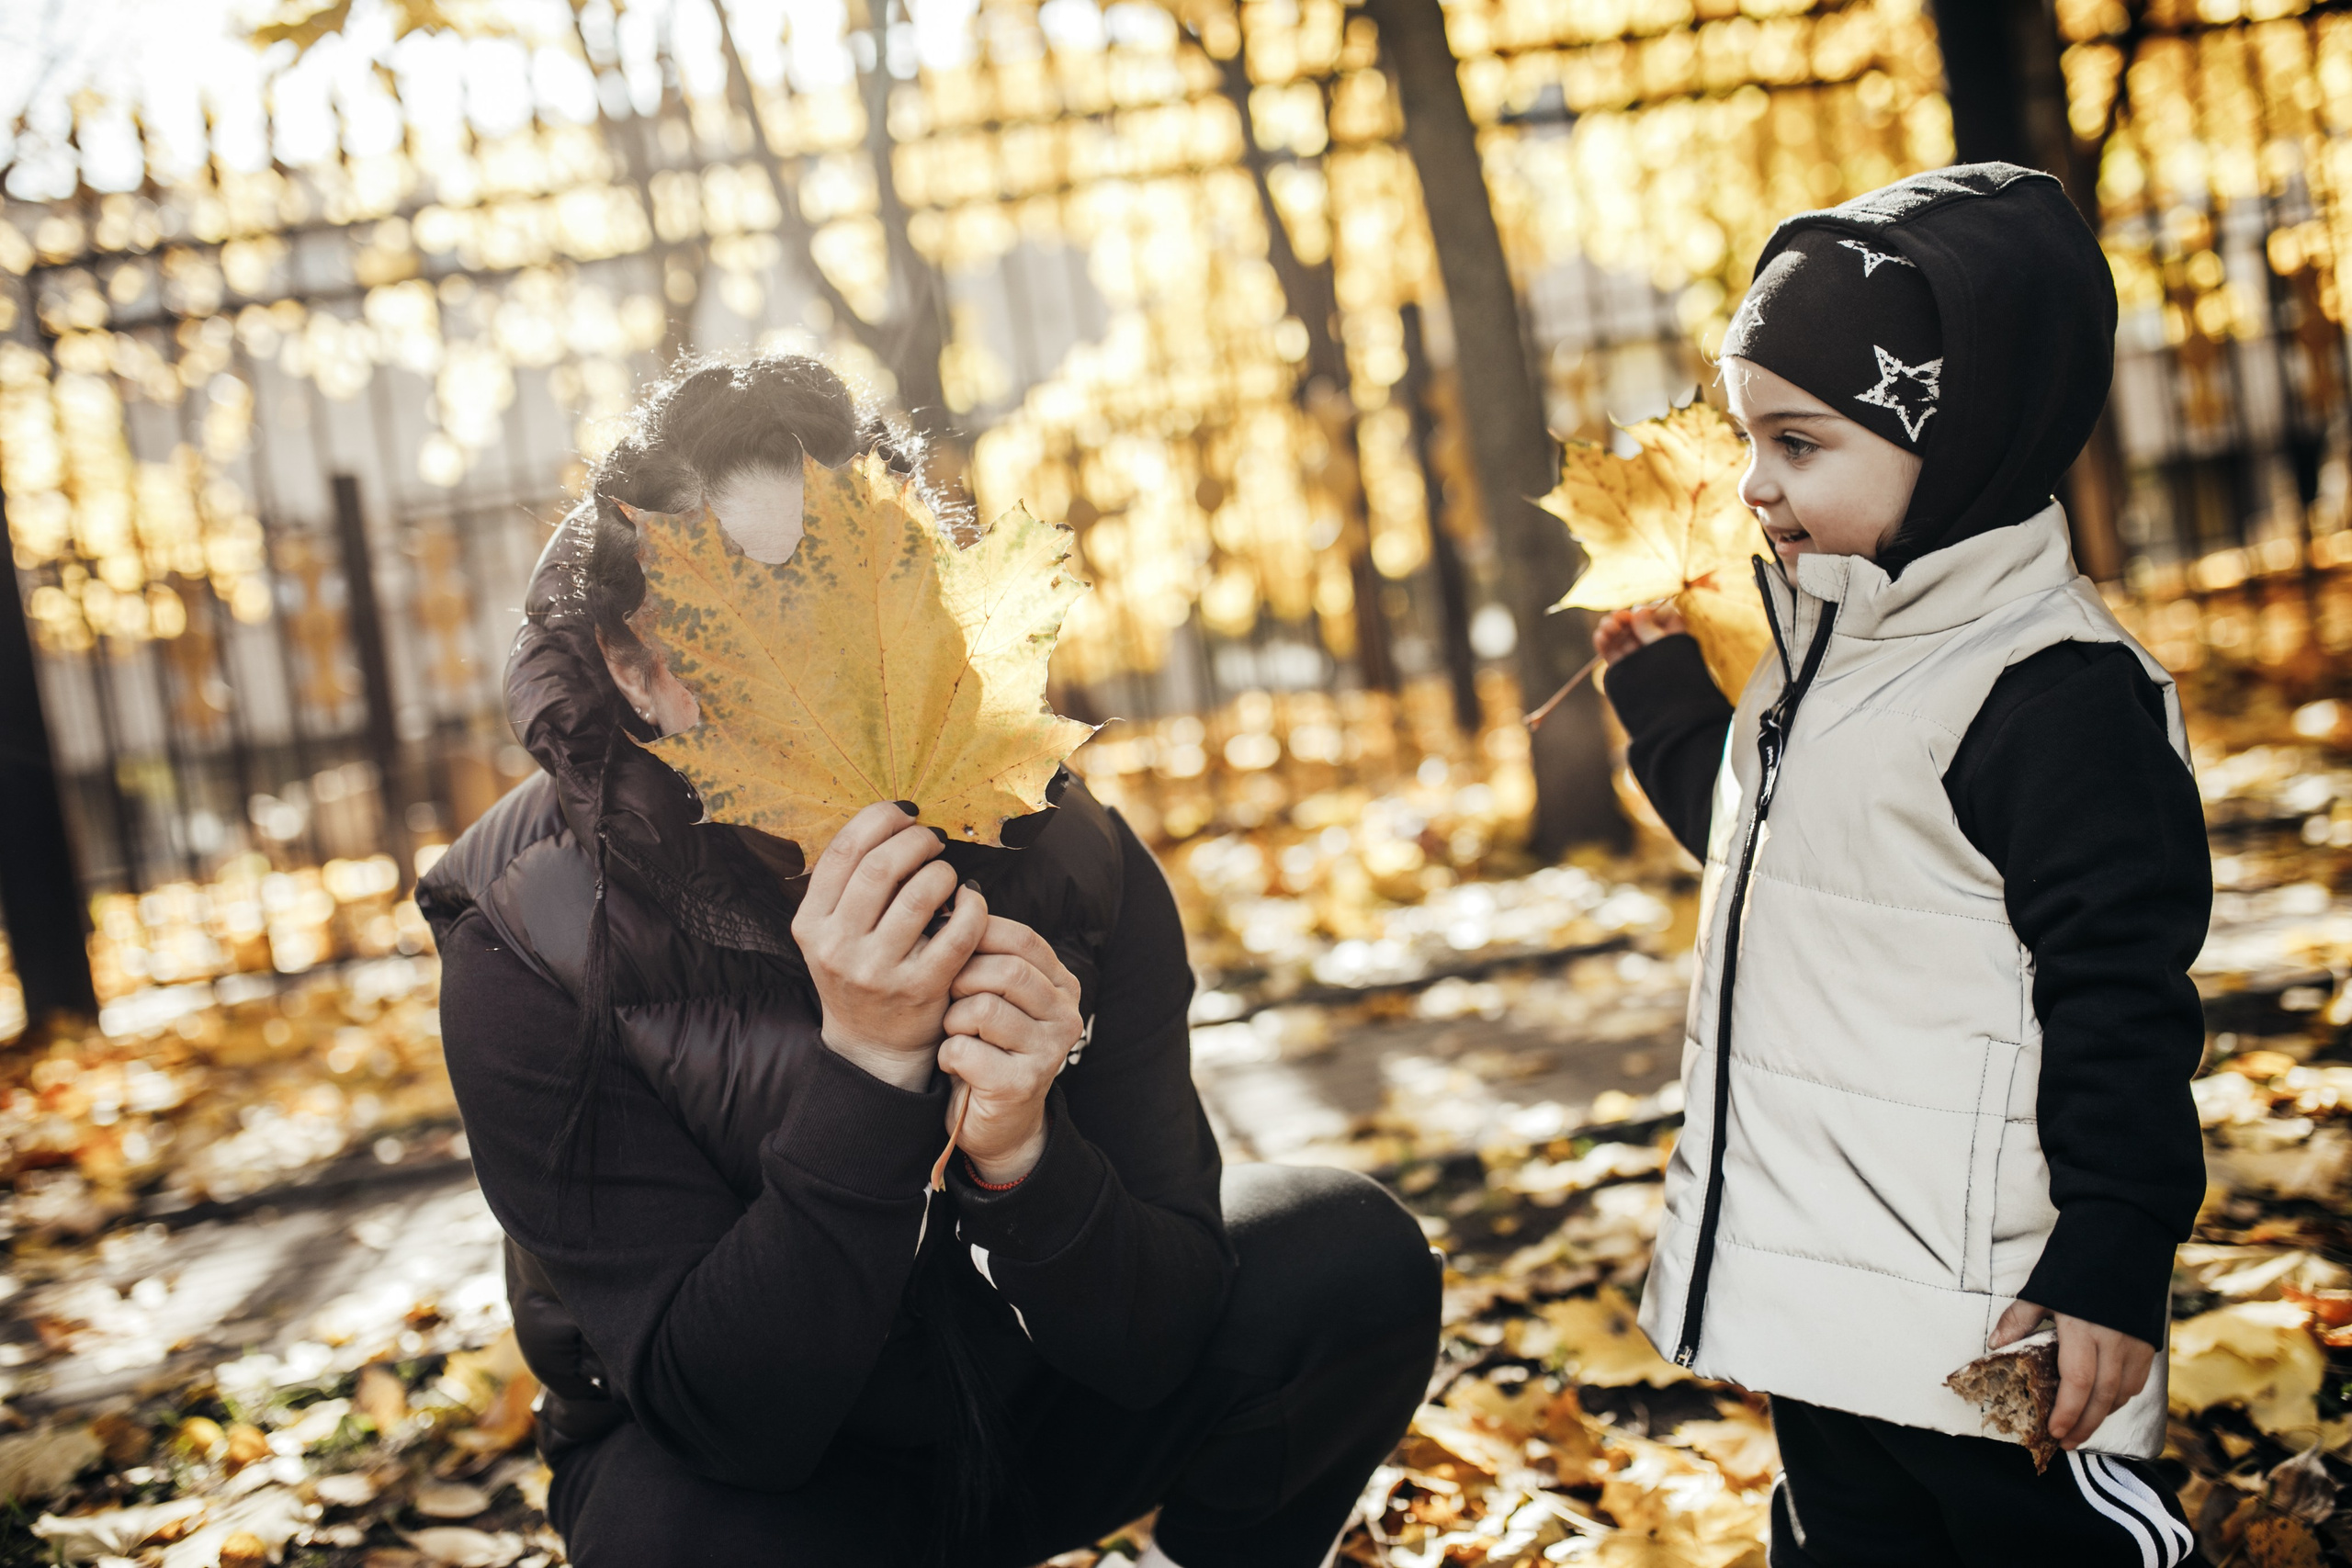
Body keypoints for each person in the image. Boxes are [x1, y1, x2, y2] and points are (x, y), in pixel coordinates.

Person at [418, 353, 1442, 1567]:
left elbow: (1166, 1335)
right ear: (636, 669)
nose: (831, 663)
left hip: (1033, 1419)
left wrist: (1026, 1160)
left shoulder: (1065, 849)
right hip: (780, 1496)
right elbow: (726, 1417)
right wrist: (861, 1072)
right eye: (752, 614)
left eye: (873, 589)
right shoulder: (526, 930)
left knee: (1349, 1259)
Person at [1591, 165, 2211, 1566]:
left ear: (1961, 437)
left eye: (1801, 445)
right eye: (1752, 440)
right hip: (1825, 1310)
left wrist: (2112, 1257)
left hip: (1990, 1325)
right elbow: (1779, 859)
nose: (1755, 484)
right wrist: (1675, 715)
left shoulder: (2050, 694)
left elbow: (2125, 997)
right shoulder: (1826, 649)